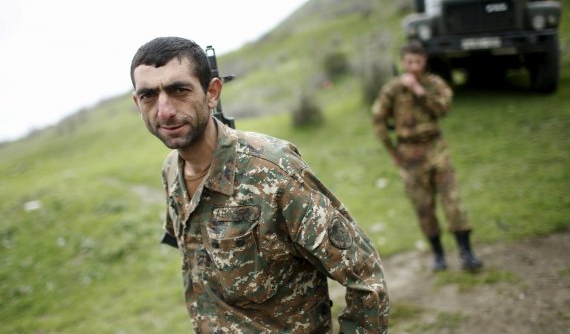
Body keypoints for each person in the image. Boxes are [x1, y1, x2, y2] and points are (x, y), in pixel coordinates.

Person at [130, 36, 389, 333]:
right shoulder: (171, 172)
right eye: (149, 95)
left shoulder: (272, 171)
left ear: (212, 92)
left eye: (179, 90)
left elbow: (367, 278)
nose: (164, 110)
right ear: (138, 104)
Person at [371, 42, 483, 272]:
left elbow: (443, 109)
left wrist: (421, 93)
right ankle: (439, 256)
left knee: (452, 202)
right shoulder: (392, 89)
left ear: (425, 62)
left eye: (418, 62)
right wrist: (392, 152)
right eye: (409, 62)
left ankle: (466, 253)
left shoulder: (434, 84)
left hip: (436, 150)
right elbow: (378, 120)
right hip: (409, 156)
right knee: (423, 207)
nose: (413, 67)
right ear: (403, 62)